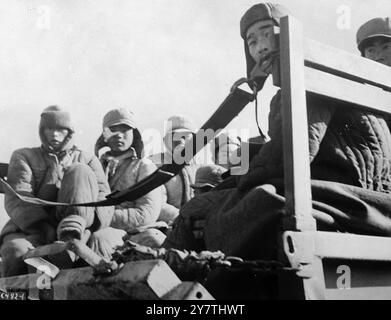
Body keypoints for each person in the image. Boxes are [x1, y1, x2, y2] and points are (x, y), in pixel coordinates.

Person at [163, 3, 391, 298]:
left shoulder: (311, 78)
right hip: (356, 196)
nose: (259, 48)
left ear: (286, 35)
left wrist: (237, 182)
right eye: (251, 41)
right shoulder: (357, 90)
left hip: (340, 196)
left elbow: (293, 154)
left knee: (201, 207)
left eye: (265, 34)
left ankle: (177, 293)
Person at [0, 106, 114, 277]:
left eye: (60, 129)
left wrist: (86, 228)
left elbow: (104, 199)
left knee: (79, 170)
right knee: (15, 251)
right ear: (42, 131)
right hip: (33, 229)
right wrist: (44, 228)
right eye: (49, 129)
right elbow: (18, 197)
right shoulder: (24, 156)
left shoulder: (88, 159)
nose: (54, 134)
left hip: (80, 228)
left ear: (70, 132)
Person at [90, 108, 165, 257]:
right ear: (104, 135)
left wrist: (100, 218)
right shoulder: (95, 166)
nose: (119, 135)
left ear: (134, 134)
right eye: (113, 130)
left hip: (132, 232)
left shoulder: (144, 166)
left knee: (100, 240)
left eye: (125, 130)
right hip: (97, 225)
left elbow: (147, 213)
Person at [149, 115, 198, 225]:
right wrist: (183, 219)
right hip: (166, 223)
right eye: (174, 136)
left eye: (185, 136)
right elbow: (157, 203)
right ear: (165, 141)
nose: (180, 140)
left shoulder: (200, 167)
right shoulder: (154, 164)